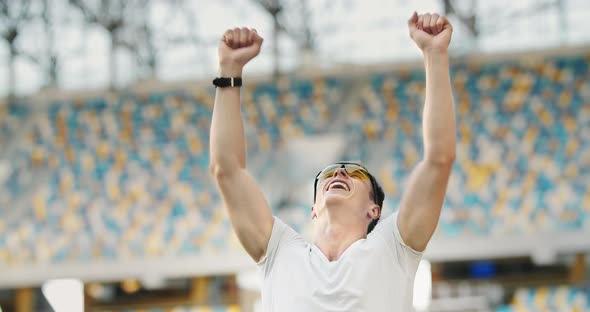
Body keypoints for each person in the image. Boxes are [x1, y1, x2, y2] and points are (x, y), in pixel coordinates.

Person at [210, 11, 456, 312]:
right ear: (314, 208)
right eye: (327, 173)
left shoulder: (394, 247)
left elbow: (439, 159)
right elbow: (227, 170)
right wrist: (229, 70)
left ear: (373, 210)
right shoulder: (279, 250)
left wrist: (435, 55)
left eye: (355, 173)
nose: (339, 171)